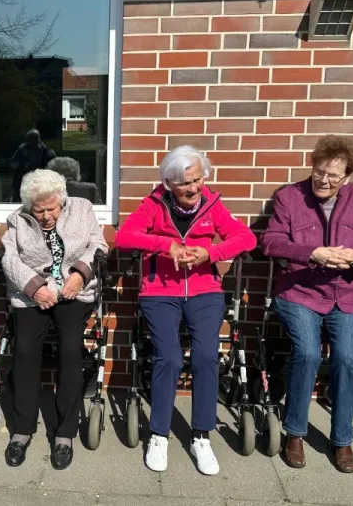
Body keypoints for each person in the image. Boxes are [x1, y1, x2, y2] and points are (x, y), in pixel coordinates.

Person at [114, 145, 256, 476]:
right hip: (160, 291)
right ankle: (159, 434)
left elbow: (246, 238)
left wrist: (211, 253)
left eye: (197, 179)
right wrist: (167, 245)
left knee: (206, 356)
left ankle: (201, 435)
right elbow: (124, 237)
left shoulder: (212, 205)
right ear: (169, 183)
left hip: (205, 290)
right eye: (184, 183)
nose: (193, 188)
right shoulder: (154, 204)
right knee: (169, 358)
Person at [260, 135, 353, 473]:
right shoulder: (289, 197)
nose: (323, 180)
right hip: (300, 291)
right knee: (307, 354)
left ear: (347, 177)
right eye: (319, 171)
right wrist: (313, 253)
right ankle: (295, 432)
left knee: (347, 359)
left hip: (348, 293)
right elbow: (271, 242)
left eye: (333, 176)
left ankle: (342, 438)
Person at [0, 169, 107, 470]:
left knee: (71, 351)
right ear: (29, 207)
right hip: (32, 295)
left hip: (74, 292)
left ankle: (64, 433)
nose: (46, 216)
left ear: (62, 200)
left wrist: (80, 274)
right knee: (24, 351)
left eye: (51, 209)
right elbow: (9, 258)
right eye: (39, 211)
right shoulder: (17, 220)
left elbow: (98, 246)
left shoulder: (82, 209)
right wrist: (34, 287)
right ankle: (22, 430)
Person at [10, 129, 56, 202]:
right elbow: (13, 163)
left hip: (40, 180)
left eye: (34, 139)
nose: (32, 143)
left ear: (38, 139)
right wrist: (23, 164)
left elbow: (52, 169)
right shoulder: (23, 149)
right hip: (23, 179)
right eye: (30, 140)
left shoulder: (47, 152)